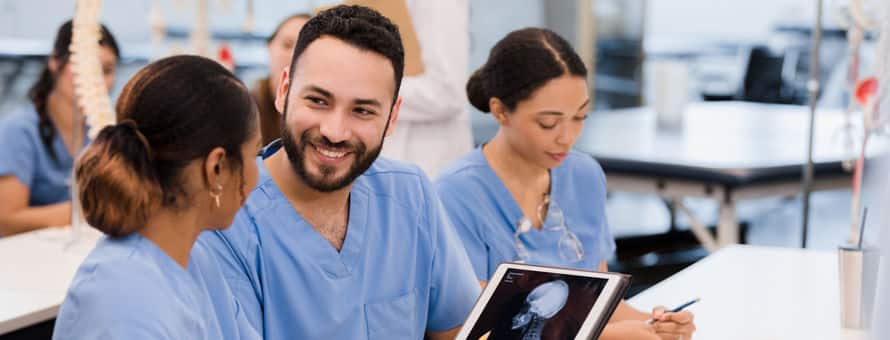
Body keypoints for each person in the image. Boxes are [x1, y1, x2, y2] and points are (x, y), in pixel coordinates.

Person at [198, 5, 480, 339]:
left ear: (392, 117)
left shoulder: (410, 196)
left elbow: (460, 330)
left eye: (362, 110)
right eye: (318, 101)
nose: (335, 130)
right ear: (284, 91)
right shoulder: (223, 223)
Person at [435, 28, 696, 340]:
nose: (567, 137)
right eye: (548, 123)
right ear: (500, 111)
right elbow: (470, 331)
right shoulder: (456, 195)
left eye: (580, 117)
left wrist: (657, 324)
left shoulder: (584, 175)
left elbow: (599, 303)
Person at [52, 55, 261, 340]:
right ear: (217, 168)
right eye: (253, 155)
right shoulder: (123, 300)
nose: (258, 174)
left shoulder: (197, 261)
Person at [0, 20, 119, 236]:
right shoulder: (19, 130)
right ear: (56, 62)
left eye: (106, 70)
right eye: (84, 66)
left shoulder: (105, 132)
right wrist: (85, 213)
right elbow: (5, 220)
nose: (95, 79)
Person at [379, 0, 473, 178]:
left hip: (426, 163)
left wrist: (369, 88)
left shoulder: (438, 4)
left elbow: (447, 93)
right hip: (391, 161)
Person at [253, 13, 311, 146]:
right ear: (269, 47)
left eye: (305, 47)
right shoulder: (245, 107)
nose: (294, 55)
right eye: (287, 45)